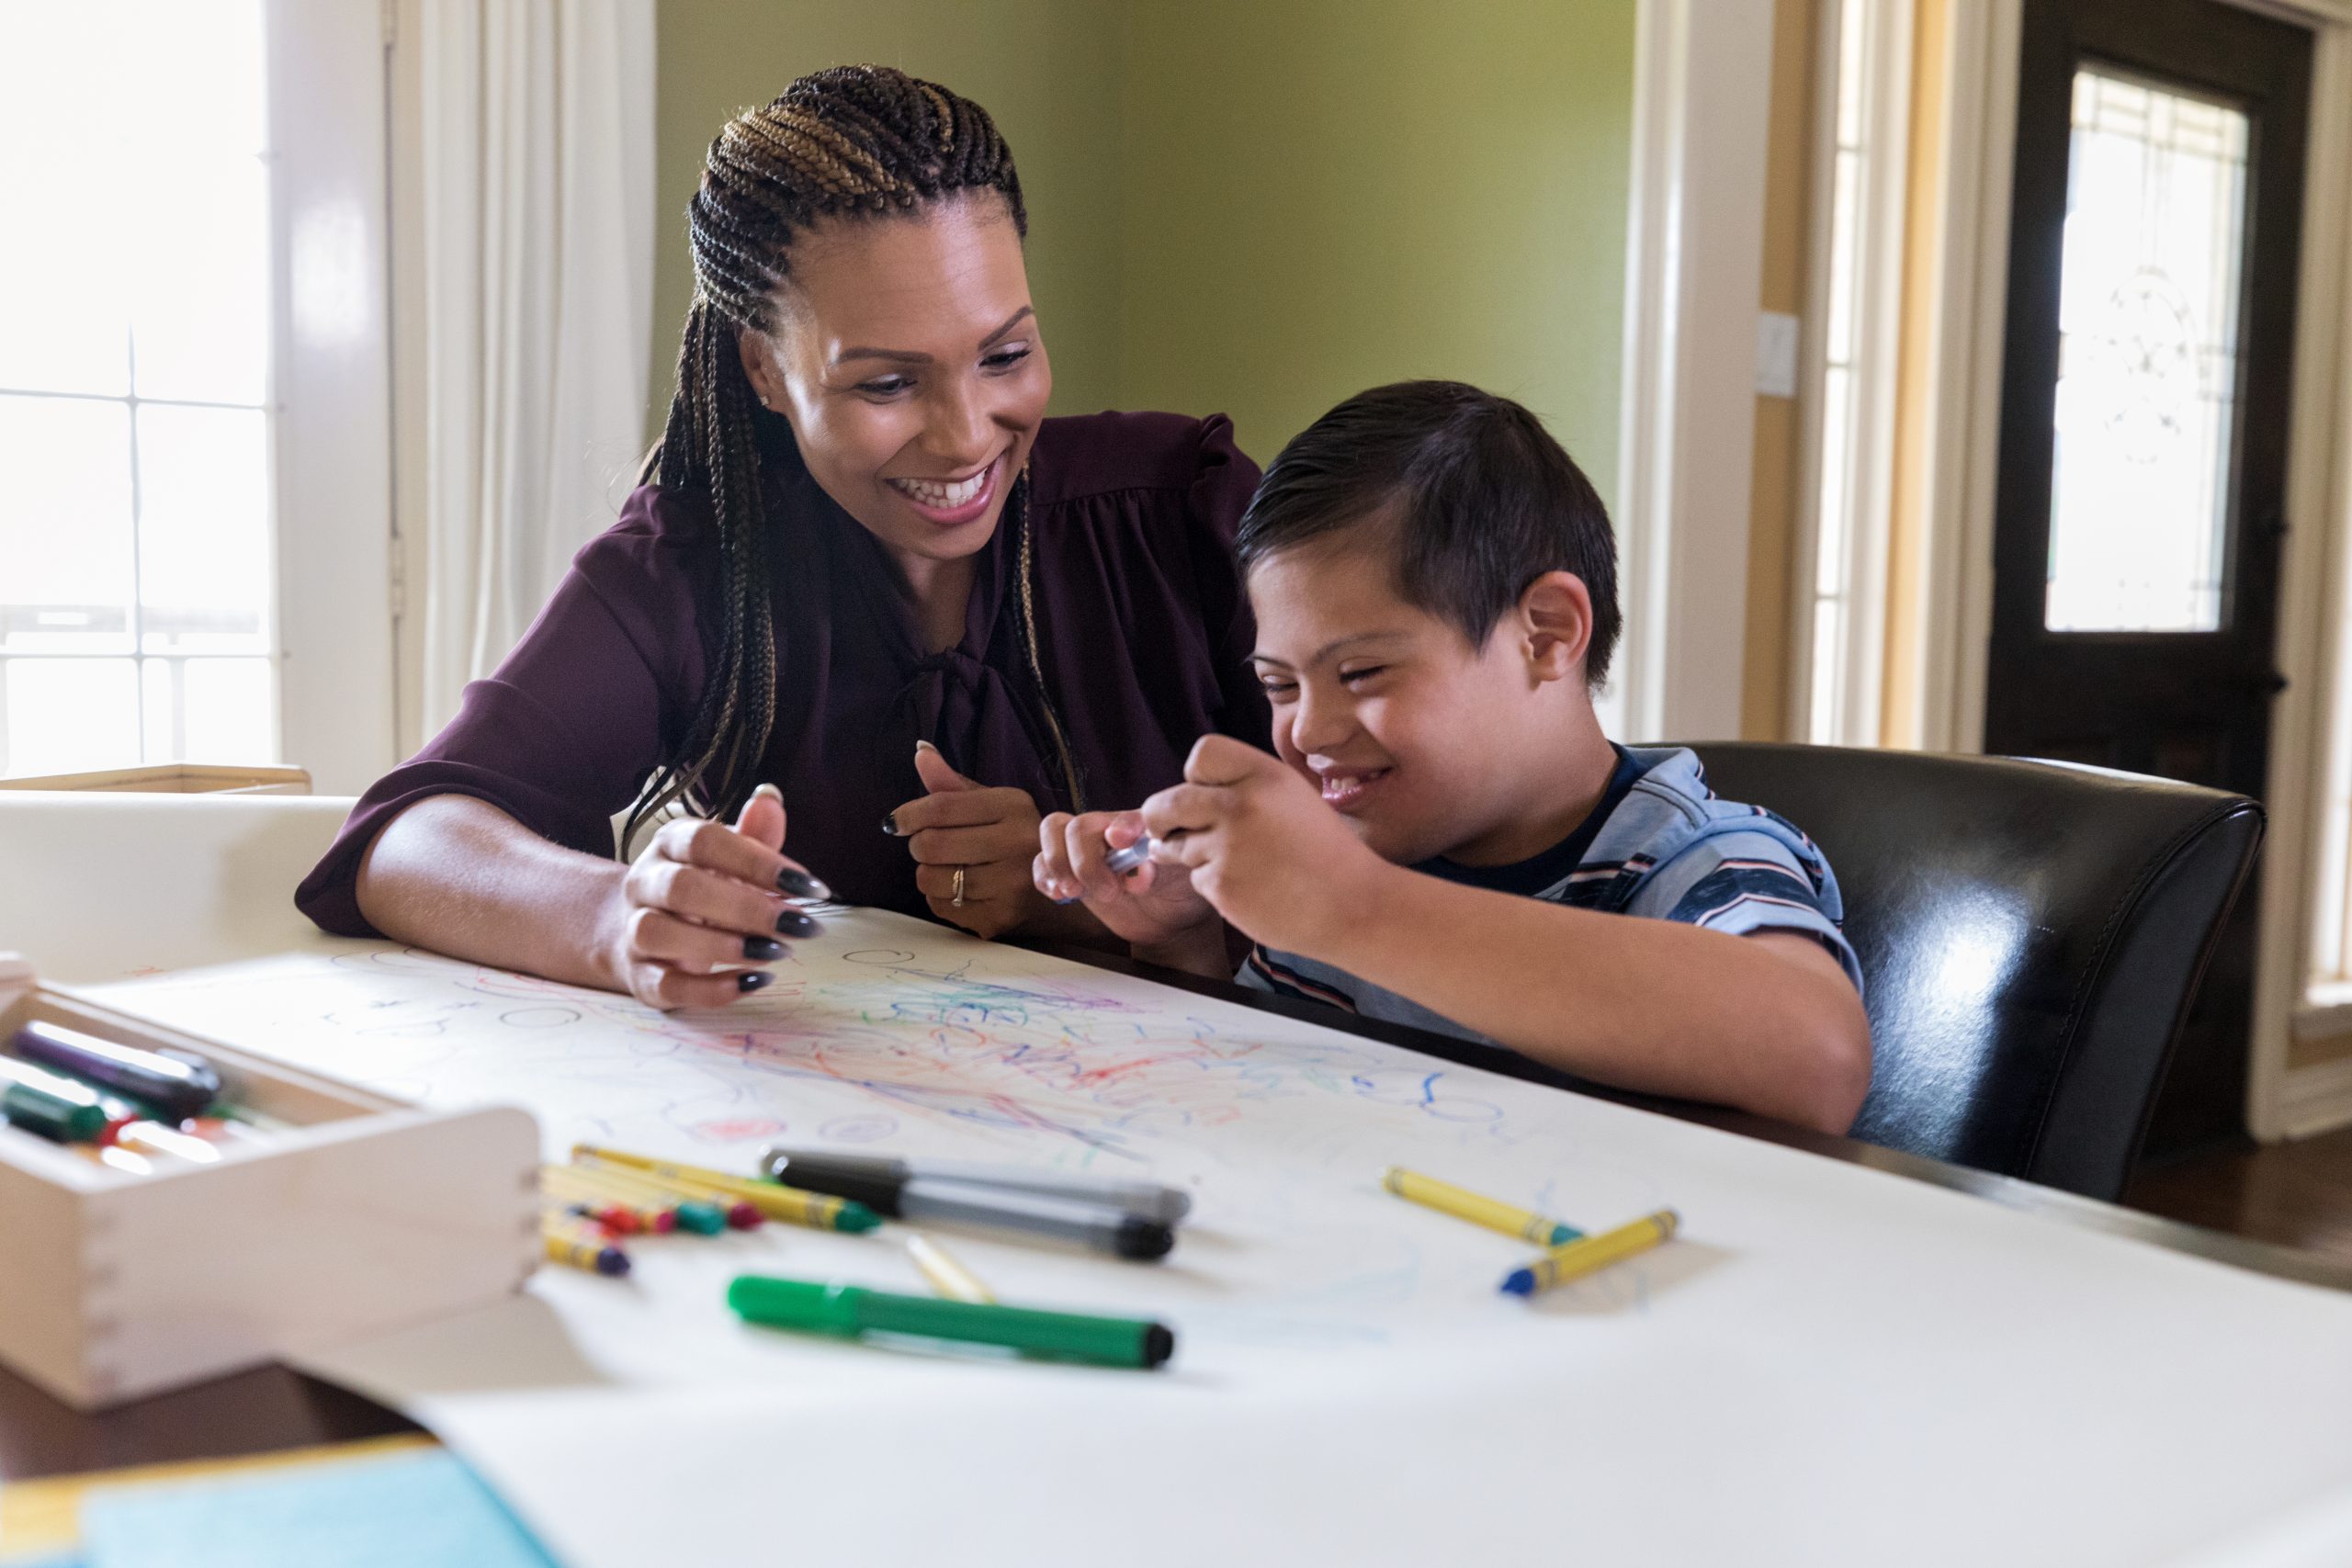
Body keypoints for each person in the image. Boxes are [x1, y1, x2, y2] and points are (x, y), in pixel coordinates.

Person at [296, 66, 1269, 1010]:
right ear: (765, 370)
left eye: (1004, 355)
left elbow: (1355, 848)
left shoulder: (1180, 512)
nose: (966, 435)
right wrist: (617, 916)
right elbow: (406, 840)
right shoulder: (692, 573)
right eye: (888, 383)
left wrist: (1100, 905)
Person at [1034, 381, 1872, 1135]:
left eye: (1361, 673)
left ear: (1545, 633)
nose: (1308, 731)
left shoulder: (1692, 857)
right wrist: (1180, 942)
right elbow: (1264, 1092)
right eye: (1280, 685)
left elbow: (1820, 1061)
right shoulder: (1354, 850)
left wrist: (1352, 905)